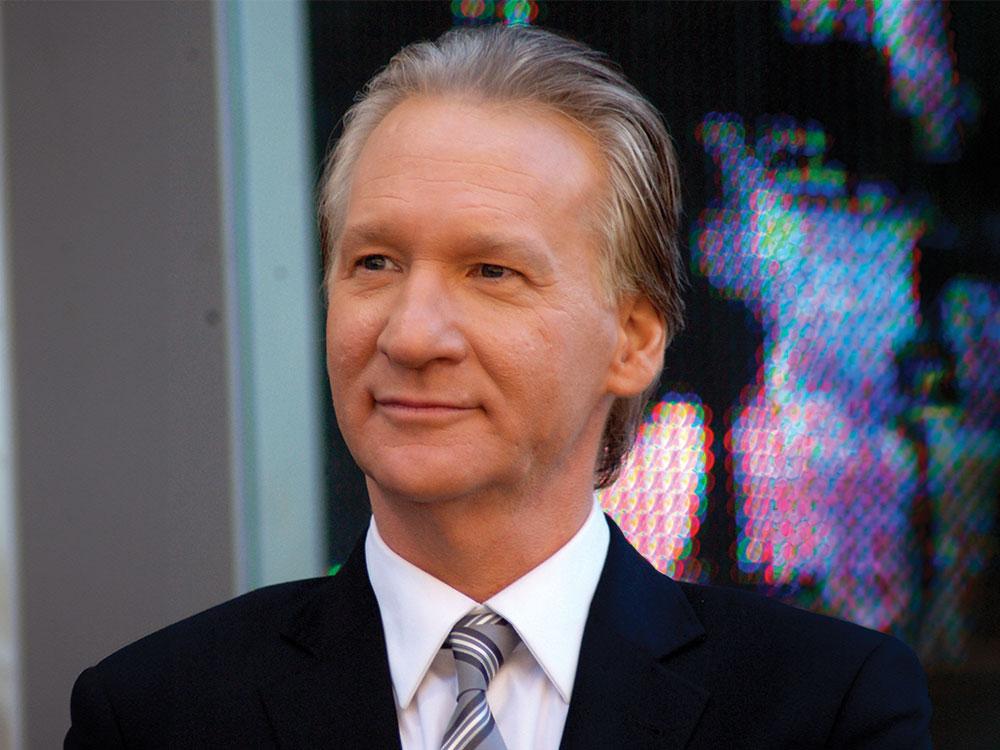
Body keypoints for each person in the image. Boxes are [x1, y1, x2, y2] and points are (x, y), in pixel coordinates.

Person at [65, 25, 931, 749]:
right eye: (375, 263)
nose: (410, 335)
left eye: (490, 271)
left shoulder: (830, 710)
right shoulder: (153, 715)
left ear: (633, 341)